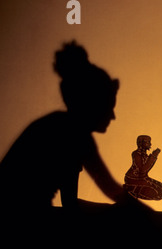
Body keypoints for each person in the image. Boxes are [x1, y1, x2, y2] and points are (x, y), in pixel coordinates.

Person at [0, 41, 129, 213]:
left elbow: (70, 203)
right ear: (92, 105)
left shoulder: (57, 126)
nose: (113, 116)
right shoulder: (75, 136)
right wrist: (141, 214)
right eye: (109, 107)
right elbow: (109, 191)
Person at [124, 135, 162, 200]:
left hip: (143, 177)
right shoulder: (136, 154)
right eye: (148, 142)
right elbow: (142, 170)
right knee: (158, 193)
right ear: (141, 143)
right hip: (133, 179)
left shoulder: (144, 154)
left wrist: (153, 157)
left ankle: (134, 189)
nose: (150, 144)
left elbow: (145, 170)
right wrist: (153, 156)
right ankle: (130, 187)